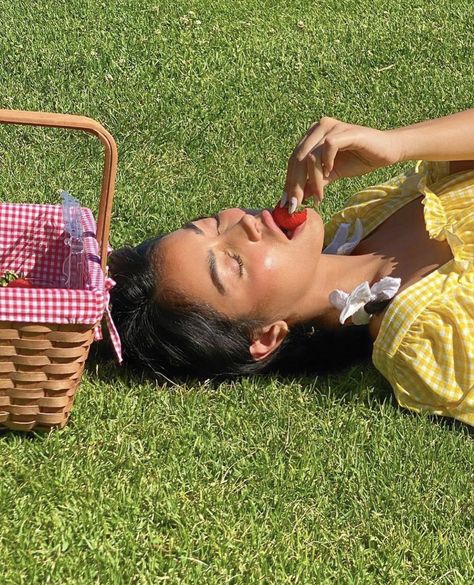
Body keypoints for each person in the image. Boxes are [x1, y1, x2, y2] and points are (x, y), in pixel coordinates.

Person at [109, 109, 474, 426]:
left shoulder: (366, 220)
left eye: (215, 223)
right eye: (233, 263)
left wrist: (398, 144)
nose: (246, 224)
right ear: (266, 336)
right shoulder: (423, 334)